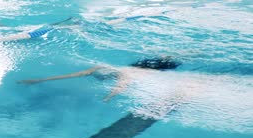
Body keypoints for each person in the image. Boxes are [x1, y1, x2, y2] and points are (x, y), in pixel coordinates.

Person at [19, 56, 181, 101]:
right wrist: (40, 80)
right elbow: (69, 76)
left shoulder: (122, 74)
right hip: (140, 65)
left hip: (149, 68)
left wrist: (108, 97)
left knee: (173, 62)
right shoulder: (96, 69)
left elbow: (121, 86)